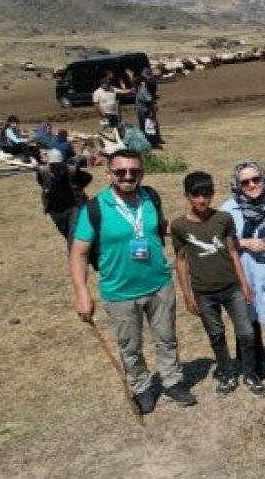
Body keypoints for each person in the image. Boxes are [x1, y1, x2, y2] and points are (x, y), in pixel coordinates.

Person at [69, 149, 196, 414]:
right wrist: (82, 293)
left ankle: (172, 381)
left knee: (167, 338)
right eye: (121, 172)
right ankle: (141, 386)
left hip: (159, 283)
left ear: (142, 173)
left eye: (134, 171)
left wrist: (199, 225)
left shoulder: (150, 198)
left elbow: (161, 228)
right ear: (108, 174)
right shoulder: (94, 209)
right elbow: (78, 253)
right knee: (130, 346)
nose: (128, 176)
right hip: (120, 292)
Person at [170, 171, 265, 397]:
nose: (202, 200)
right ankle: (226, 373)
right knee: (215, 335)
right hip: (204, 292)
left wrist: (244, 285)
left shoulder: (223, 219)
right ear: (187, 196)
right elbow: (181, 261)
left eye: (207, 194)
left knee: (247, 333)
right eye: (196, 195)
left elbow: (233, 252)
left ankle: (251, 374)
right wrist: (187, 294)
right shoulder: (179, 226)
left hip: (232, 287)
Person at [220, 160, 265, 379]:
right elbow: (219, 243)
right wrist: (244, 243)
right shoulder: (227, 210)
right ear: (237, 185)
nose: (252, 185)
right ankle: (253, 364)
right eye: (245, 182)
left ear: (264, 179)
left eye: (256, 179)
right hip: (243, 273)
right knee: (246, 320)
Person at [36, 149, 92, 240]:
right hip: (55, 210)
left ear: (62, 163)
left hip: (73, 206)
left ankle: (75, 252)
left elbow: (88, 178)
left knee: (73, 232)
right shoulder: (42, 172)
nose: (56, 168)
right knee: (66, 233)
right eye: (53, 165)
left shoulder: (71, 171)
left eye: (58, 164)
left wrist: (78, 188)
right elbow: (42, 183)